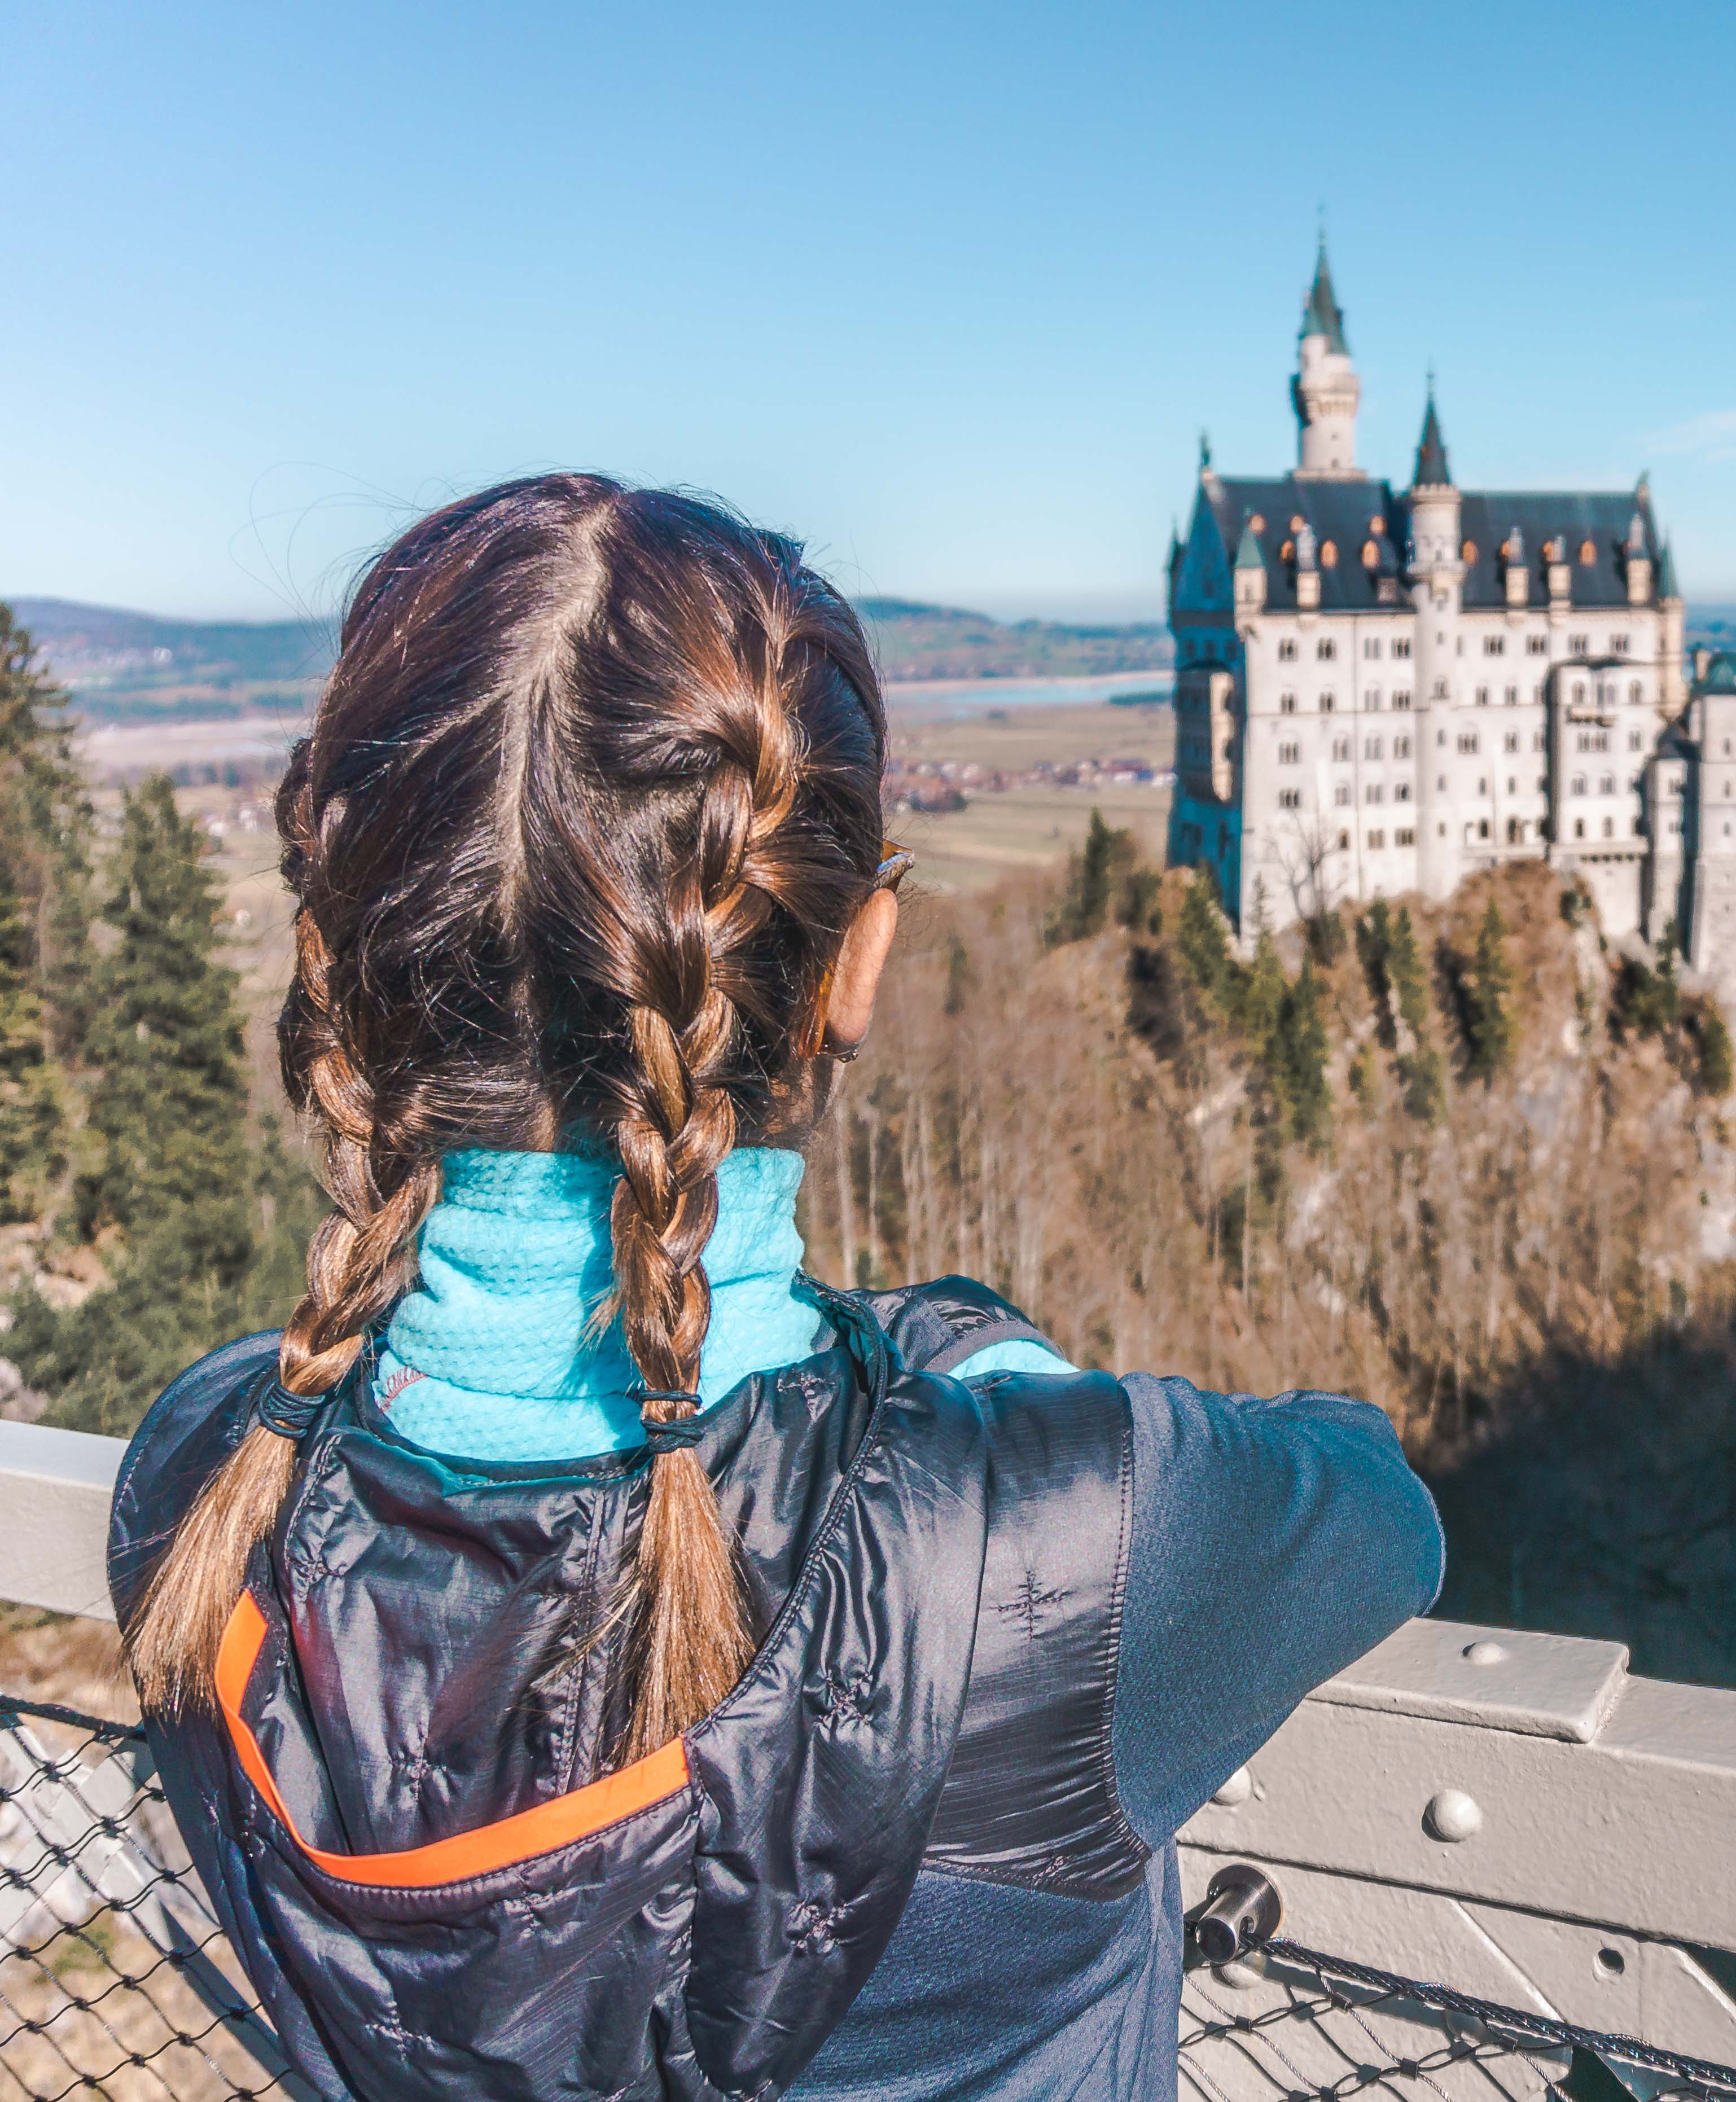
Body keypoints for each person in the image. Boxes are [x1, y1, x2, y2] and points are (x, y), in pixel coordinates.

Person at [102, 473, 1444, 2102]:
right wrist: (977, 1357)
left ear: (353, 955)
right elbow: (1376, 1506)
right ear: (855, 961)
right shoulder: (1063, 1545)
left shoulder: (198, 1486)